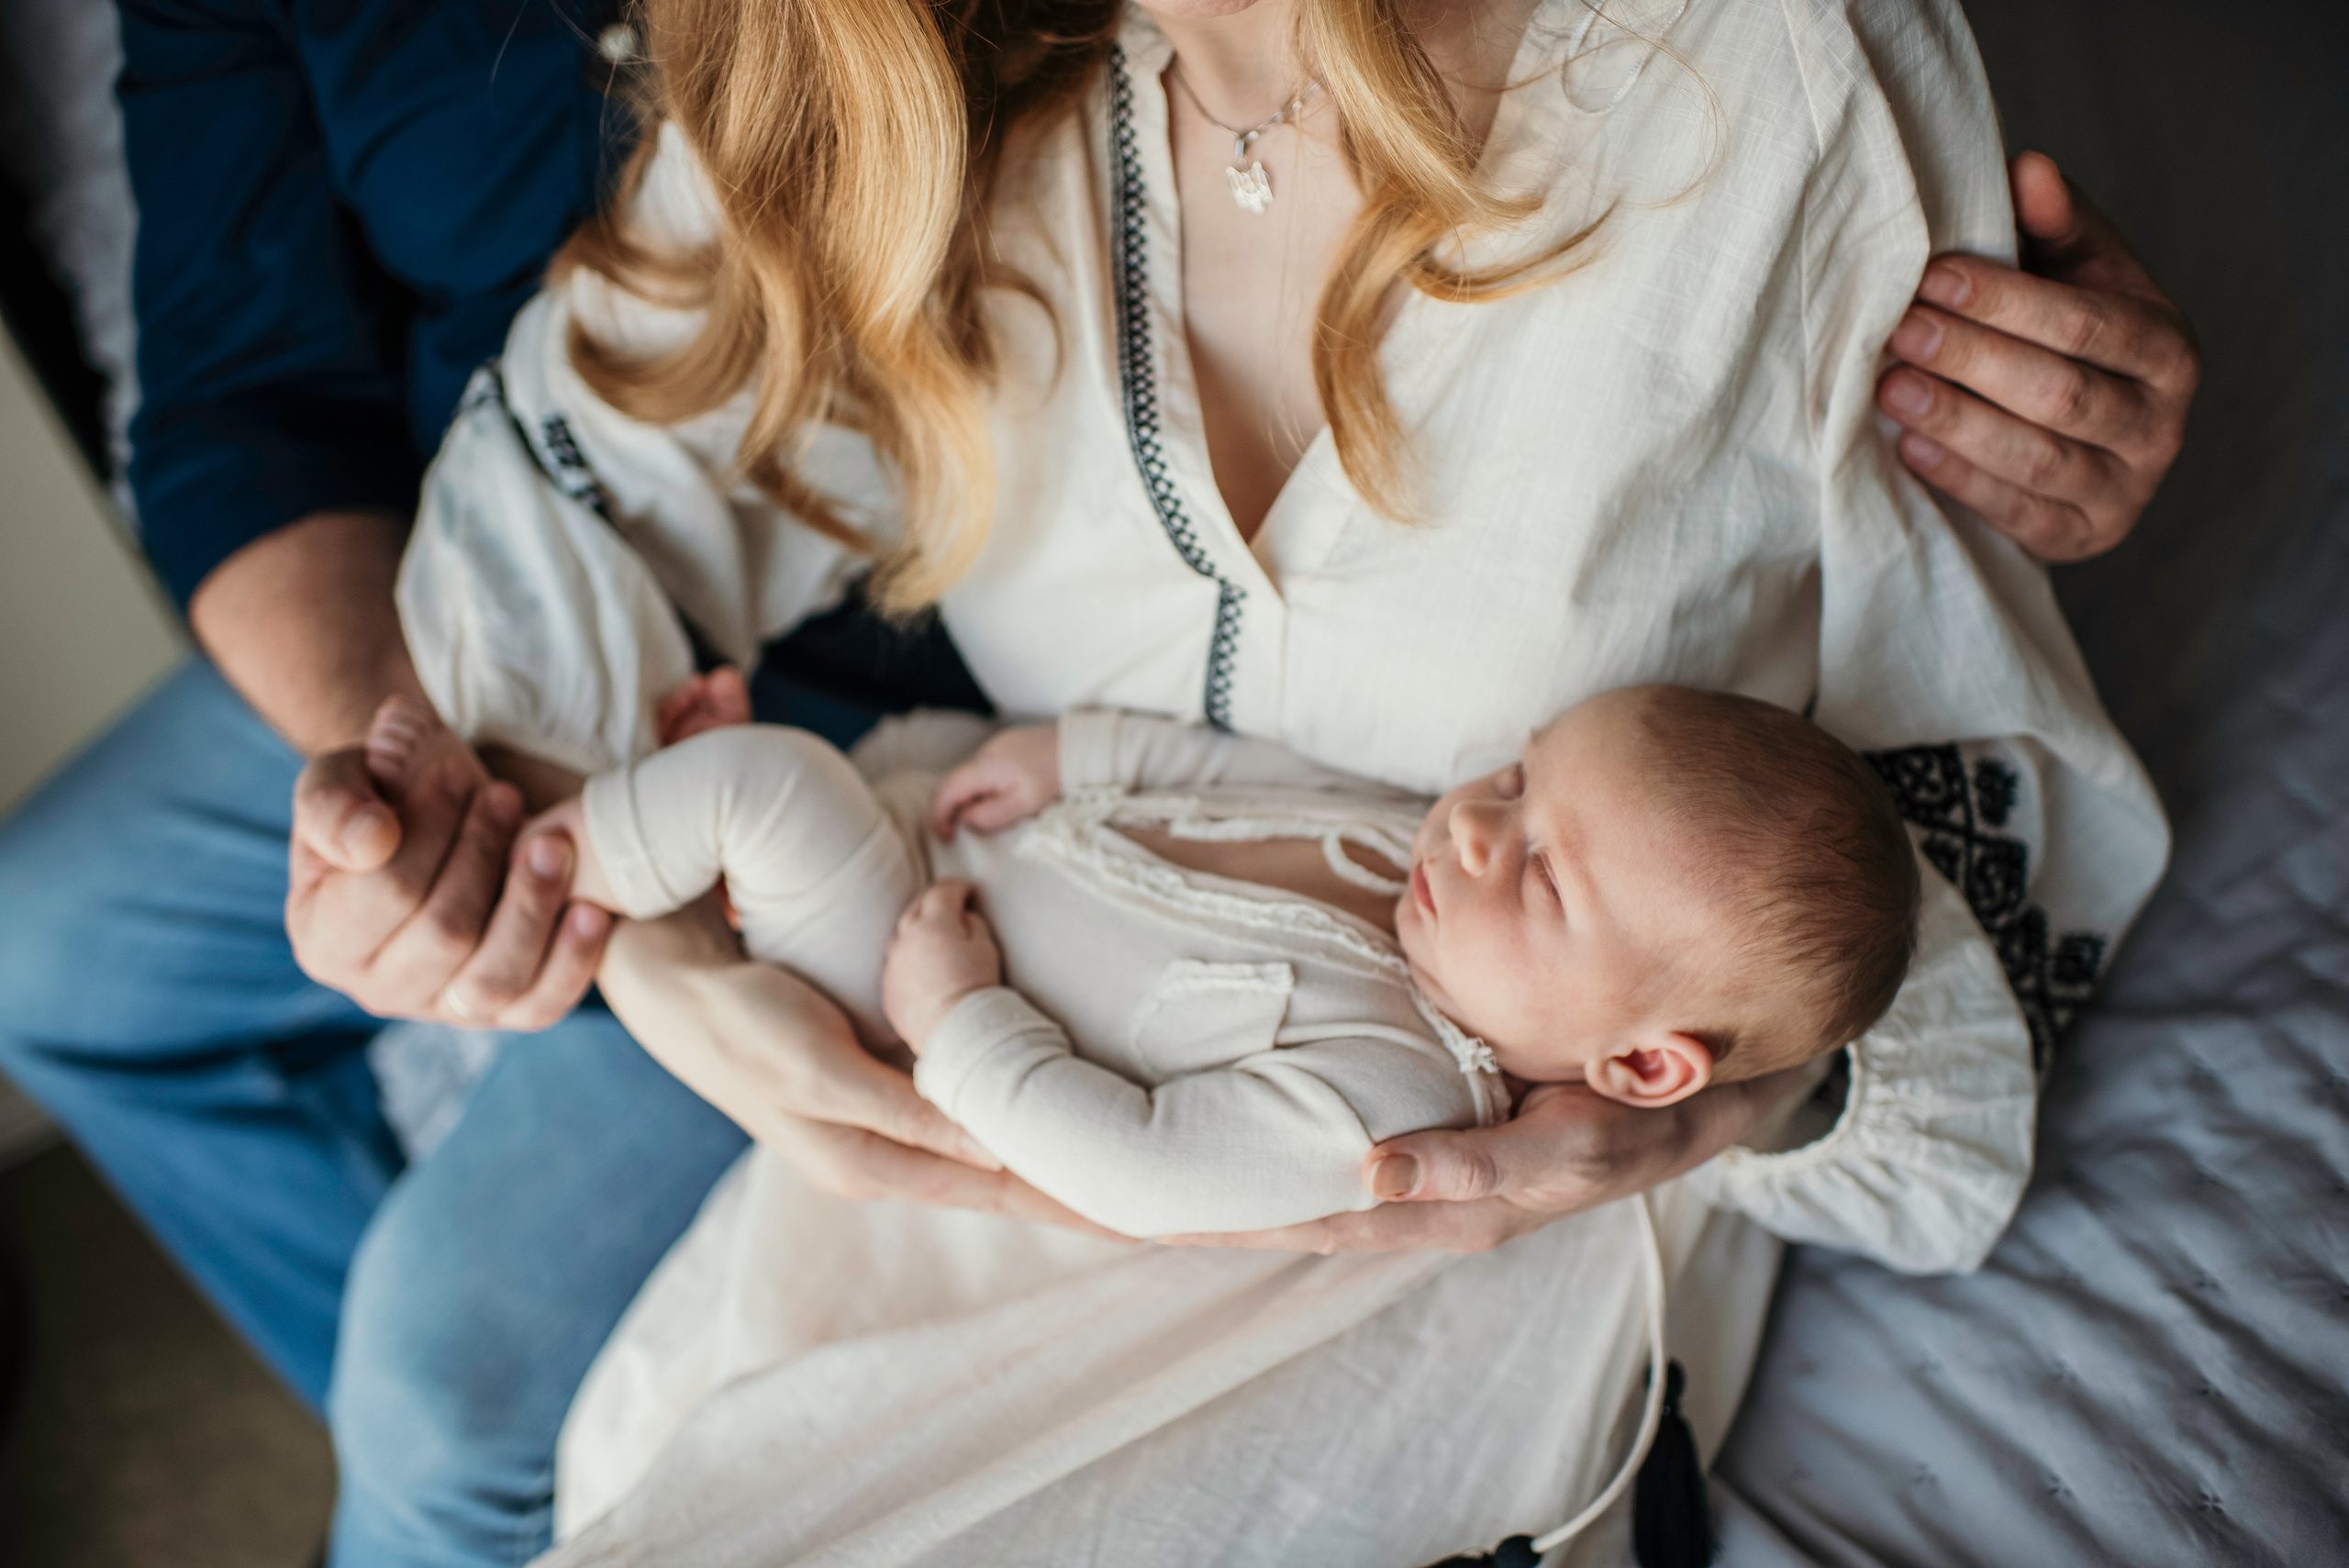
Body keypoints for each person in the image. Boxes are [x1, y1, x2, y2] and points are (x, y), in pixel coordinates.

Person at [0, 0, 2195, 1560]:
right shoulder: (912, 69)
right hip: (988, 1065)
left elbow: (1921, 961)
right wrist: (559, 875)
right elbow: (607, 475)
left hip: (1452, 1208)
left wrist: (1707, 1100)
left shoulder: (1771, 88)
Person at [361, 684, 1918, 1238]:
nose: (1471, 828)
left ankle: (535, 877)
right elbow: (1231, 764)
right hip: (968, 831)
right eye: (1514, 778)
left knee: (769, 786)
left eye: (1544, 871)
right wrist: (1076, 748)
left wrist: (957, 1020)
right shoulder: (1411, 854)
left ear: (1640, 1067)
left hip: (899, 983)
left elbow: (1145, 1165)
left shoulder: (1387, 1100)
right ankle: (546, 874)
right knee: (788, 775)